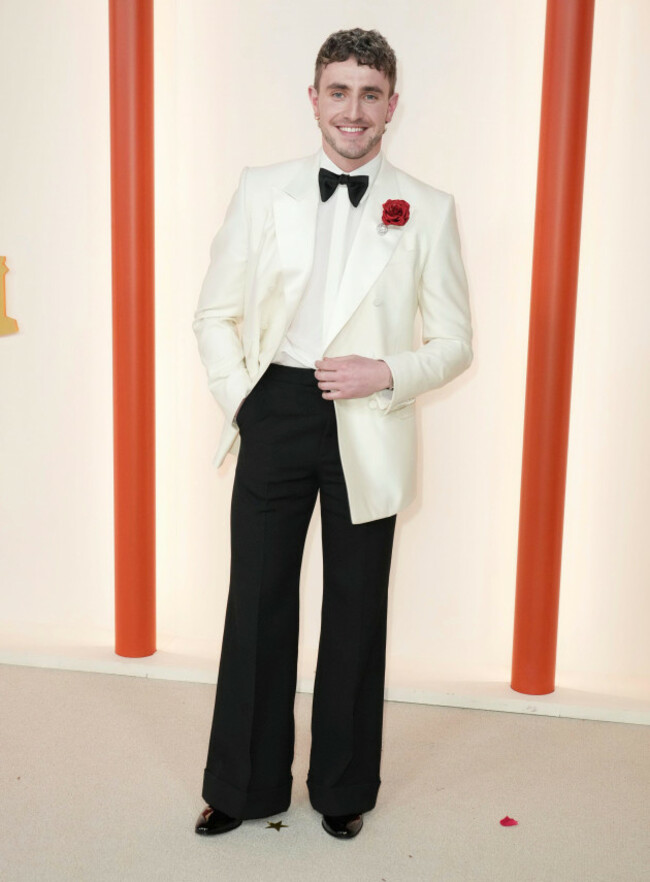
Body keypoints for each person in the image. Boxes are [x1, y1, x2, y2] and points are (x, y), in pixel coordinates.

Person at [192, 27, 472, 840]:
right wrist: (242, 401)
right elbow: (214, 313)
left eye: (370, 94)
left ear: (393, 105)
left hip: (370, 419)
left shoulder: (428, 207)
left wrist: (385, 372)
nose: (354, 110)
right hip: (275, 409)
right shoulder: (262, 189)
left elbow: (455, 342)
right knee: (257, 602)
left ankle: (344, 786)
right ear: (314, 99)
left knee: (356, 607)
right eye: (339, 92)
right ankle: (242, 786)